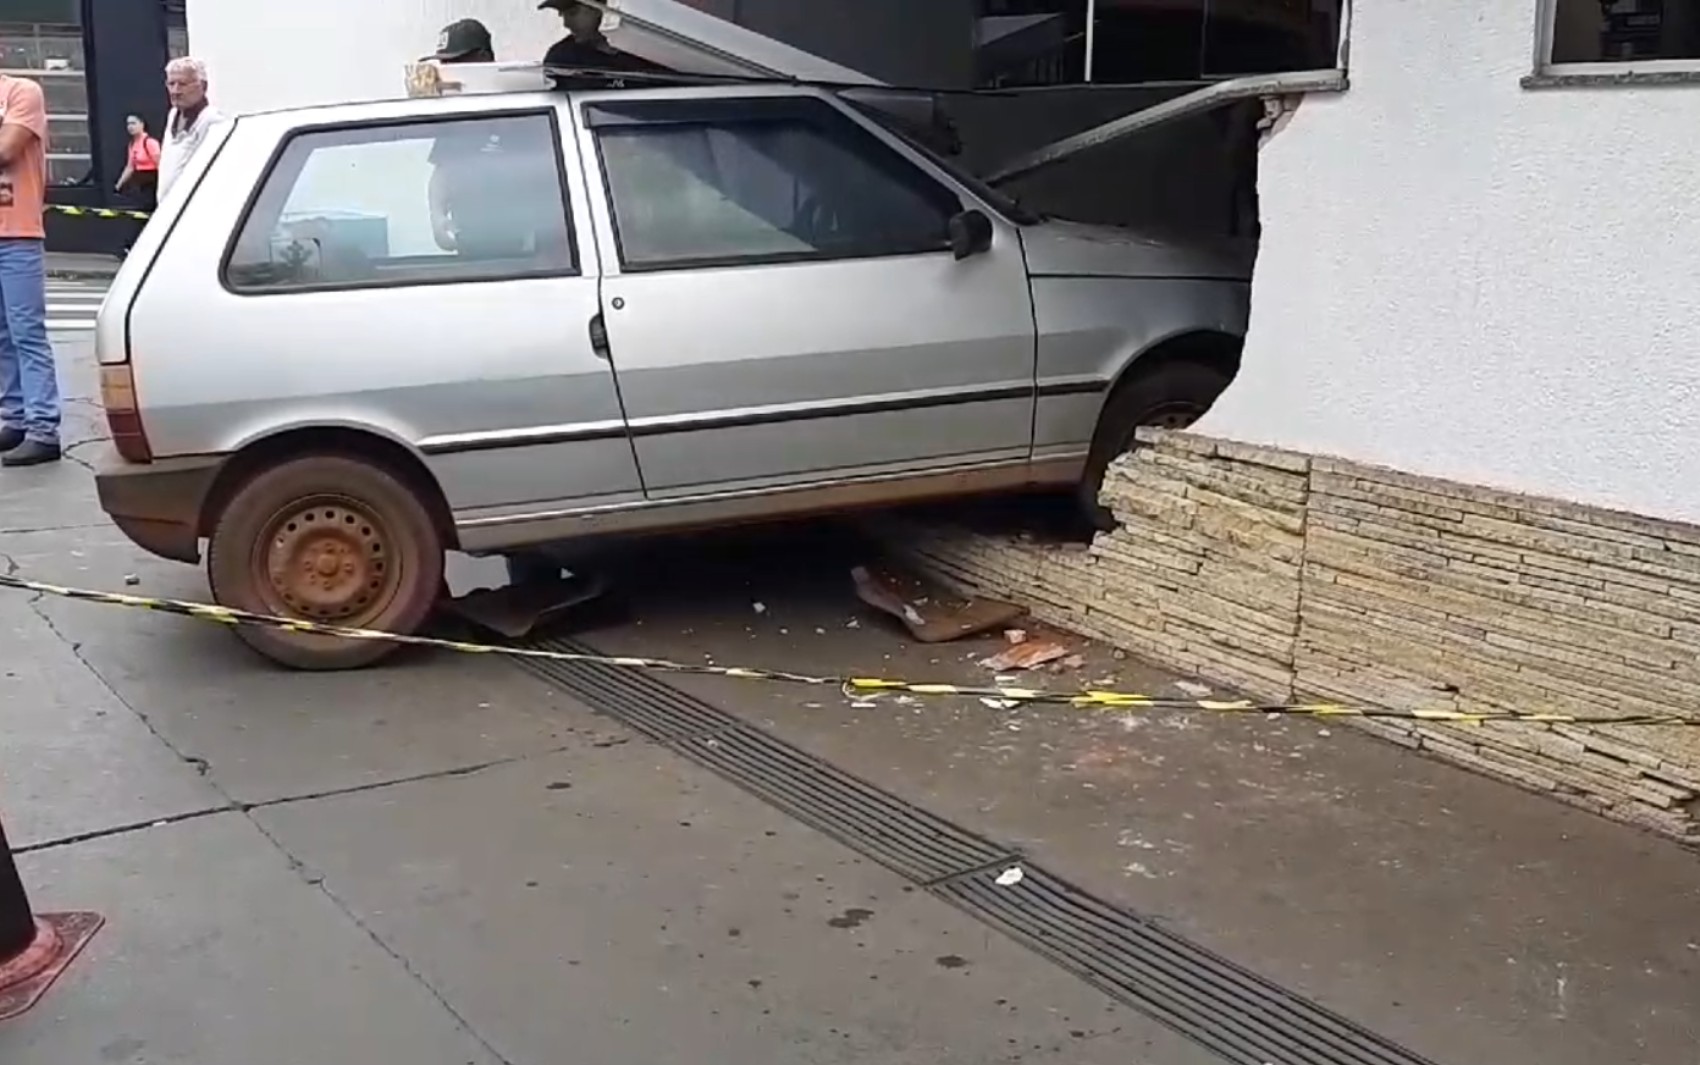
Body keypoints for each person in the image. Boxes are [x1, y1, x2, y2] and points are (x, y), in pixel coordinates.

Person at [0, 71, 60, 466]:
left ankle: (44, 427)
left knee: (26, 332)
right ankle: (14, 417)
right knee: (2, 334)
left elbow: (6, 149)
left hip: (17, 232)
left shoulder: (22, 92)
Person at [539, 0, 669, 87]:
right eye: (562, 15)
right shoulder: (562, 58)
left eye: (573, 13)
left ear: (600, 8)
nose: (566, 24)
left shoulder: (648, 51)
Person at [158, 57, 224, 203]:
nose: (175, 91)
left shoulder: (212, 121)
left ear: (203, 86)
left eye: (182, 84)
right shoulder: (173, 115)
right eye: (171, 84)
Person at [115, 114, 162, 211]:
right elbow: (130, 167)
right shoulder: (132, 144)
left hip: (152, 180)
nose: (130, 127)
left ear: (142, 125)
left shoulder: (150, 142)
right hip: (139, 181)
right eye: (128, 124)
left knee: (148, 205)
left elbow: (160, 164)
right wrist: (118, 185)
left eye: (133, 123)